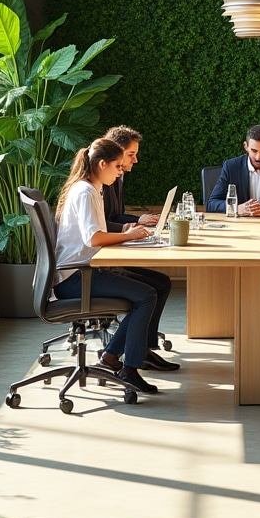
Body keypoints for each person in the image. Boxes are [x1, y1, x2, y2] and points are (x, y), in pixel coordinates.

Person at [53, 138, 163, 395]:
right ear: (102, 164)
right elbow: (94, 238)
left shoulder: (91, 188)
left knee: (153, 287)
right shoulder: (86, 192)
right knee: (146, 296)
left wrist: (129, 235)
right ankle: (129, 369)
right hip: (77, 277)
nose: (120, 171)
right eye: (117, 167)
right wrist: (129, 235)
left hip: (85, 270)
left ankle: (114, 357)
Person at [102, 125, 178, 372]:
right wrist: (133, 225)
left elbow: (113, 215)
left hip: (105, 254)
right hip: (98, 262)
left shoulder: (116, 177)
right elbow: (101, 225)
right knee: (148, 293)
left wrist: (137, 221)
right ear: (118, 154)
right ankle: (118, 356)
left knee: (161, 283)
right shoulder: (99, 184)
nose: (136, 159)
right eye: (132, 154)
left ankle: (142, 349)